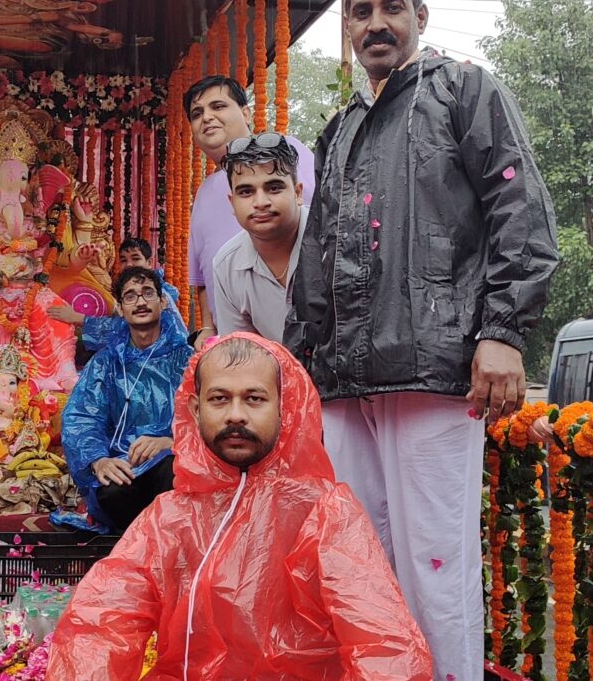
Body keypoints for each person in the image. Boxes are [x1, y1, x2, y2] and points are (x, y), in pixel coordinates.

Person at [285, 0, 559, 681]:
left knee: (436, 564)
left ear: (420, 17)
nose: (377, 23)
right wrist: (297, 372)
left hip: (433, 369)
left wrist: (502, 332)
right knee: (361, 566)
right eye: (361, 11)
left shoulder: (464, 90)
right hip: (343, 385)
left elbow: (520, 211)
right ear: (348, 28)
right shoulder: (340, 127)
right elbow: (315, 259)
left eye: (392, 7)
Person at [48, 335, 433, 679]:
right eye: (220, 398)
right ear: (195, 409)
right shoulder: (169, 518)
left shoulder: (324, 513)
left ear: (285, 407)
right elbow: (102, 624)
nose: (235, 414)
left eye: (254, 398)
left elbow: (383, 645)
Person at [184, 76, 315, 347]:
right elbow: (202, 275)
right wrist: (208, 327)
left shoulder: (287, 152)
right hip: (240, 341)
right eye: (197, 113)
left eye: (218, 106)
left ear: (246, 113)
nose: (206, 117)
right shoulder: (204, 192)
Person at [61, 267, 193, 530]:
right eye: (130, 296)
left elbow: (209, 418)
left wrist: (172, 442)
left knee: (173, 472)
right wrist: (99, 460)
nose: (140, 302)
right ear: (120, 309)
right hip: (124, 464)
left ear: (163, 301)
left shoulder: (188, 360)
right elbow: (82, 418)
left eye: (148, 293)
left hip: (173, 461)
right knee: (111, 492)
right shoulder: (106, 363)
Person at [212, 133, 306, 341]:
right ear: (232, 203)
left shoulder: (333, 241)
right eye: (246, 192)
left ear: (298, 193)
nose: (261, 202)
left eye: (274, 188)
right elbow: (242, 352)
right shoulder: (226, 266)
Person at [47, 237, 185, 352]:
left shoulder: (155, 293)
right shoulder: (131, 288)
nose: (129, 264)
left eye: (135, 258)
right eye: (124, 260)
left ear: (149, 263)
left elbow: (127, 331)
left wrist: (79, 318)